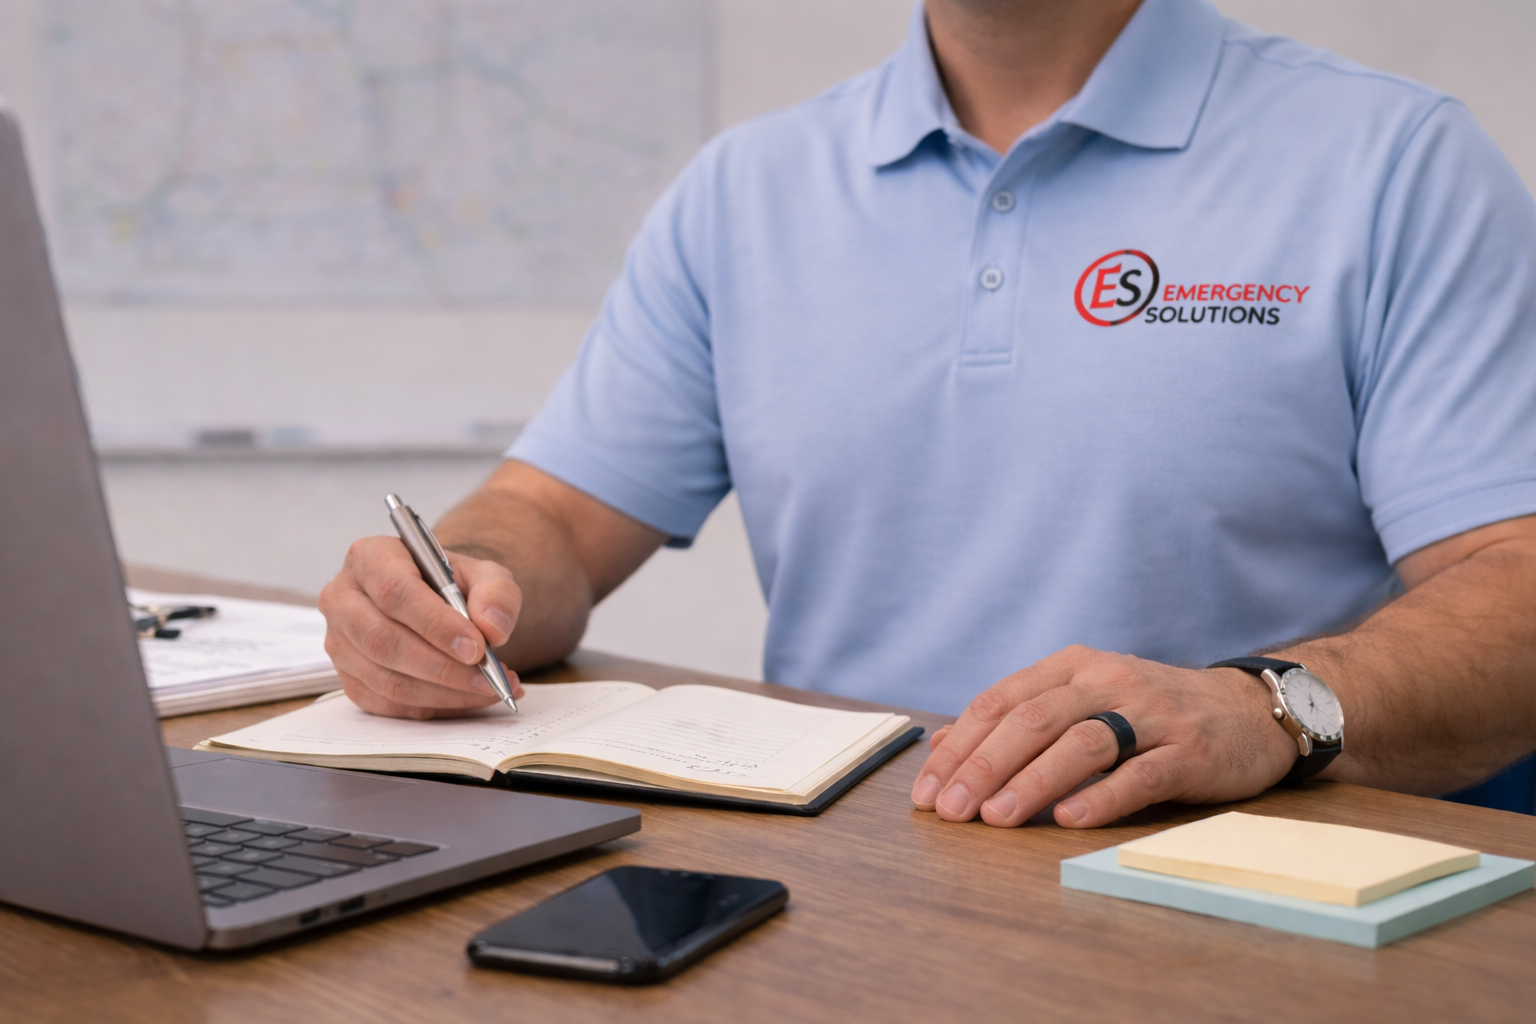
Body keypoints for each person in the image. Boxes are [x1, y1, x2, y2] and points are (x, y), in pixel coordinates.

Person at [318, 0, 1536, 828]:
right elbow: (550, 516)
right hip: (837, 874)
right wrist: (457, 588)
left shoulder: (1394, 163)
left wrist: (1263, 703)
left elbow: (1516, 578)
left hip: (1230, 885)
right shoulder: (748, 190)